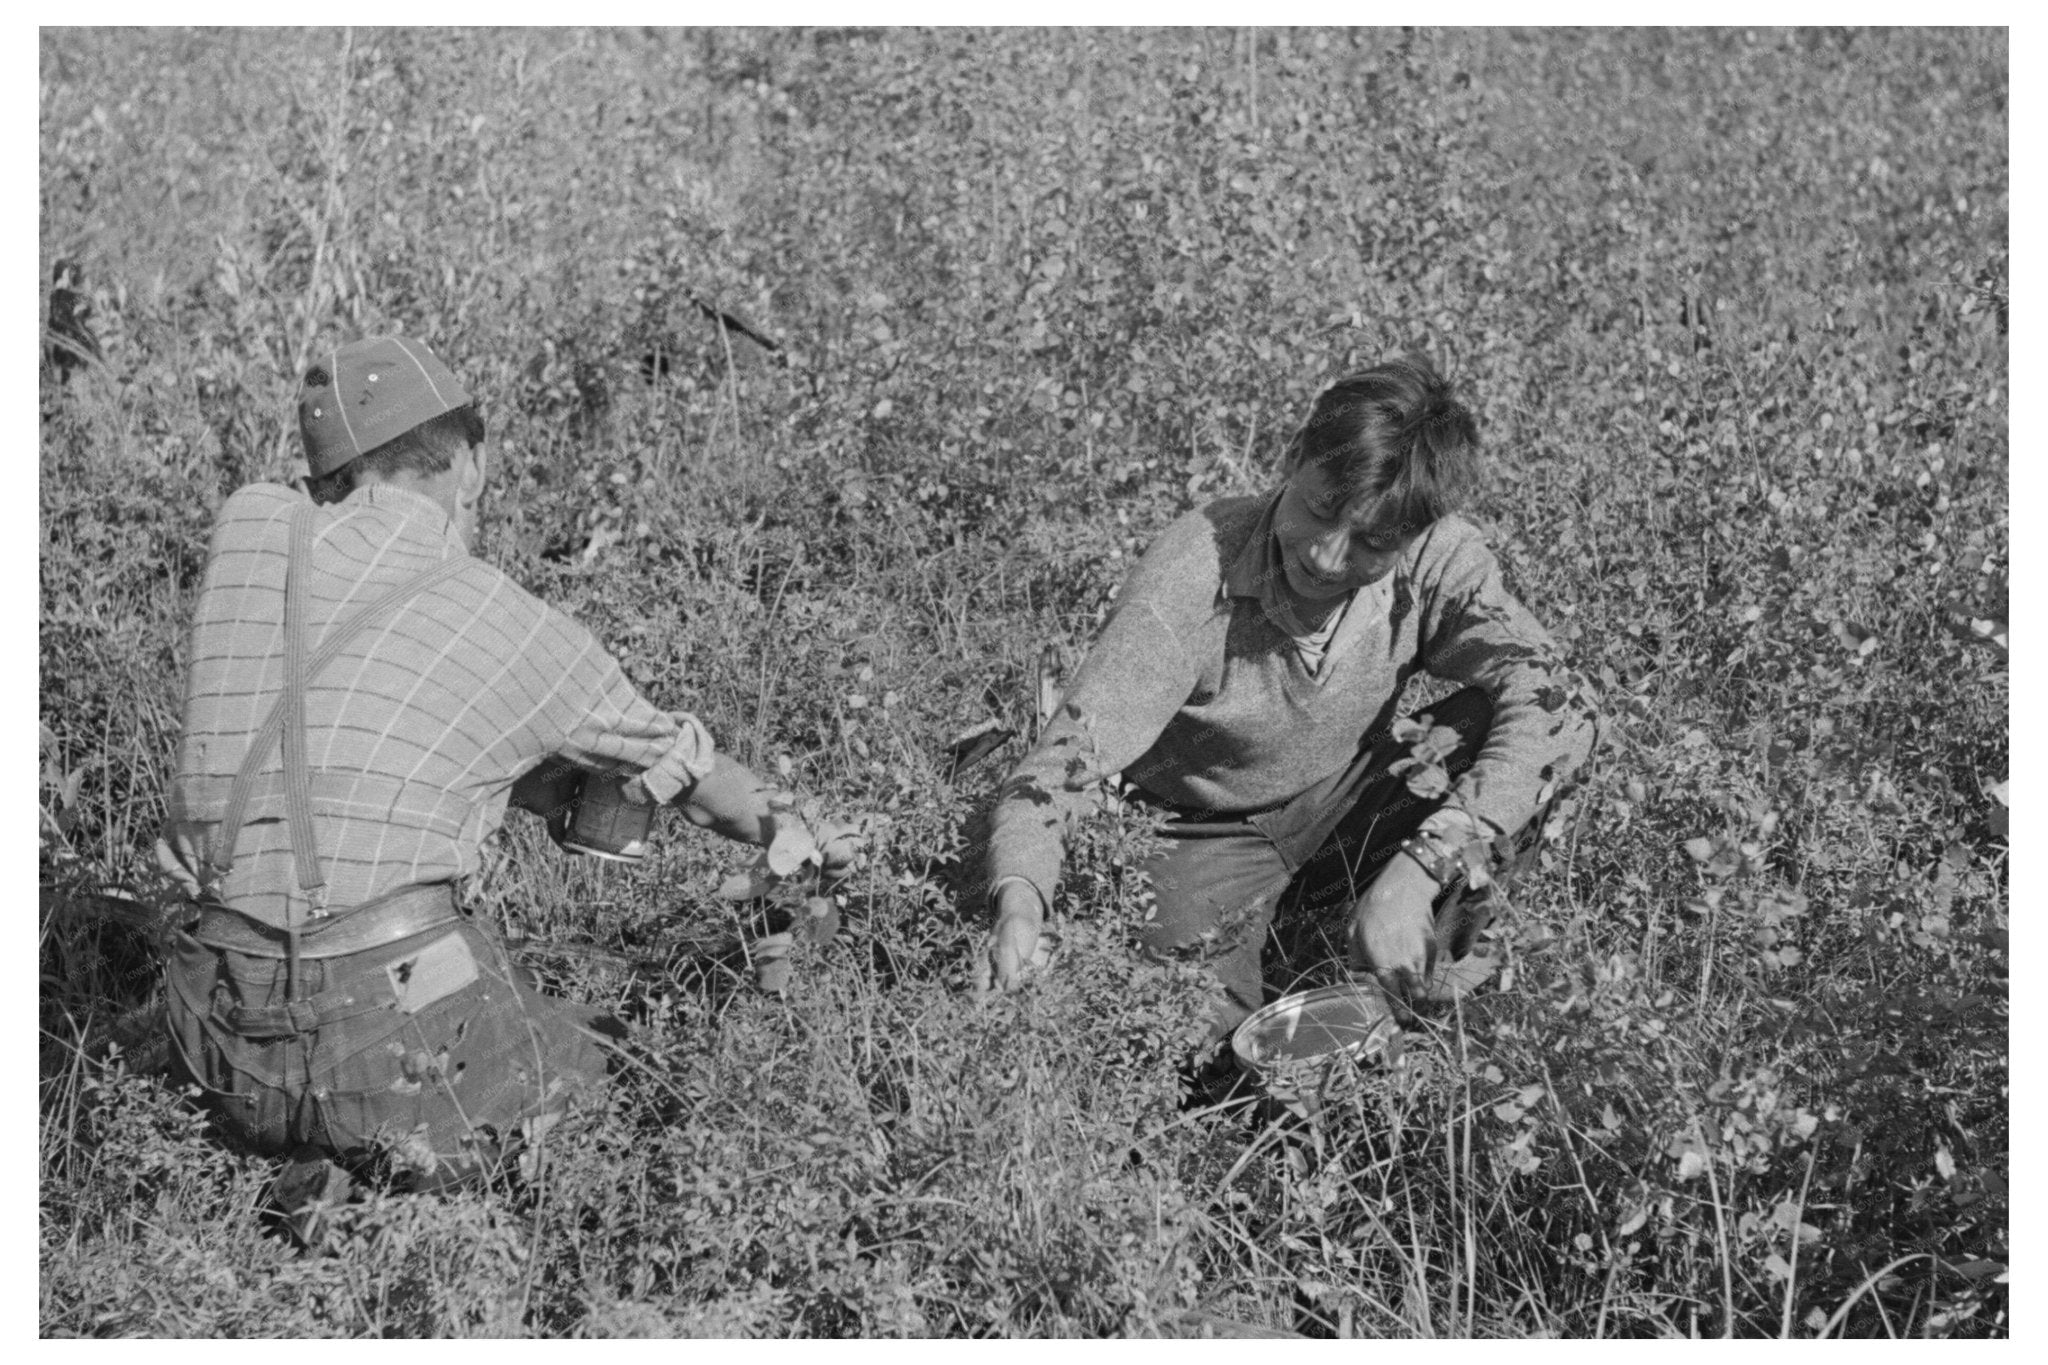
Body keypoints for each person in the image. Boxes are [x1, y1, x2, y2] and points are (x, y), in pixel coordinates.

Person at [155, 335, 856, 1209]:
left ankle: (321, 1174)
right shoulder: (504, 619)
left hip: (212, 1036)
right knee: (625, 1056)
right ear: (473, 464)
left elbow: (345, 719)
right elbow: (698, 778)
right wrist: (809, 834)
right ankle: (406, 1183)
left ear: (328, 474)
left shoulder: (249, 525)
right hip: (381, 1030)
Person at [980, 356, 1596, 1042]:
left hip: (1351, 792)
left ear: (1415, 534)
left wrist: (1423, 867)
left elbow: (1564, 701)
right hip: (1197, 833)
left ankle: (1419, 991)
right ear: (1294, 455)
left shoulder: (1437, 559)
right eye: (1321, 510)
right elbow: (1061, 767)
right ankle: (1288, 987)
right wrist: (1020, 901)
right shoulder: (1192, 575)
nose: (1327, 558)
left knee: (1524, 733)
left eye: (1370, 542)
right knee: (1199, 1038)